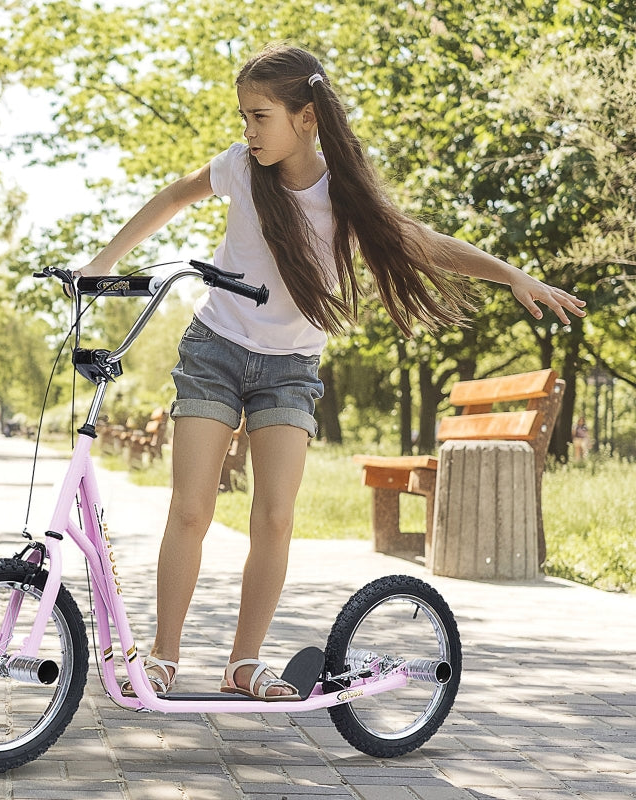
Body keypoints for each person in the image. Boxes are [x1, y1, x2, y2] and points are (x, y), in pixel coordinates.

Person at [74, 44, 586, 700]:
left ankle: (244, 663)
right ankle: (164, 655)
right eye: (243, 117)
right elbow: (174, 196)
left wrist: (511, 272)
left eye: (260, 117)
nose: (248, 131)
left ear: (307, 118)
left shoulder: (341, 197)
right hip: (214, 350)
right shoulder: (239, 167)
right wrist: (103, 261)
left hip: (288, 369)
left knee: (276, 516)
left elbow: (425, 244)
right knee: (192, 508)